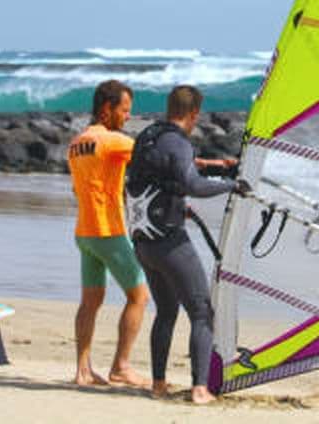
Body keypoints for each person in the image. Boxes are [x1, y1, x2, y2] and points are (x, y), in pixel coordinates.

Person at [126, 85, 251, 404]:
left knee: (166, 311)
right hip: (169, 242)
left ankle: (158, 384)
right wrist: (231, 185)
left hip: (143, 242)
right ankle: (199, 388)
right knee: (201, 311)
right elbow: (191, 184)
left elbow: (161, 178)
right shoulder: (178, 142)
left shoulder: (148, 136)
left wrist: (205, 173)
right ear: (194, 113)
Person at [67, 80, 149, 387]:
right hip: (108, 231)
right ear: (107, 109)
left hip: (84, 233)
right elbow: (155, 155)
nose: (127, 117)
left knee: (90, 301)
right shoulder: (112, 141)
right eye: (125, 110)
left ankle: (82, 370)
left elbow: (78, 189)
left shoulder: (75, 144)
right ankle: (121, 367)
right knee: (139, 296)